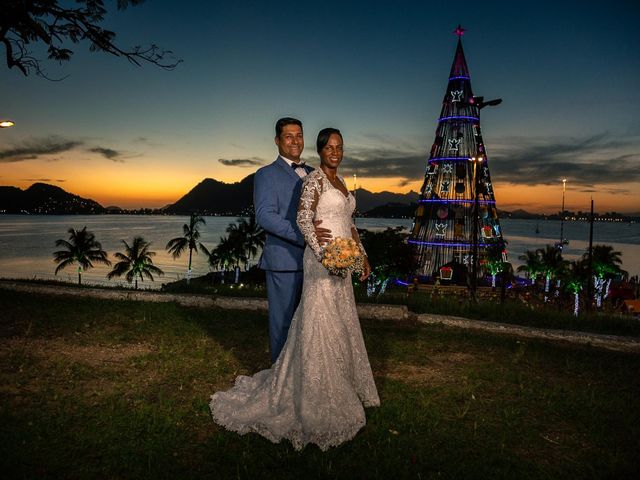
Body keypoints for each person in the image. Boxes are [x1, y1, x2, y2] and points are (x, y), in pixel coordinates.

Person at [210, 128, 380, 451]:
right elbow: (286, 219)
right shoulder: (275, 176)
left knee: (327, 328)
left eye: (339, 147)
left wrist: (360, 256)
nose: (334, 151)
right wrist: (322, 251)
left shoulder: (339, 183)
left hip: (336, 267)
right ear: (277, 140)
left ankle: (337, 384)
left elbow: (349, 224)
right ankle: (288, 387)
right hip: (300, 260)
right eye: (289, 137)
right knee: (288, 327)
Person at [253, 117, 330, 363]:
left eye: (299, 135)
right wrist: (306, 236)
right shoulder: (265, 174)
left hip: (313, 262)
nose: (295, 141)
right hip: (283, 261)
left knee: (309, 324)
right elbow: (265, 217)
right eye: (288, 136)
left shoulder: (314, 173)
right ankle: (279, 380)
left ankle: (302, 376)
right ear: (277, 141)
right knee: (283, 324)